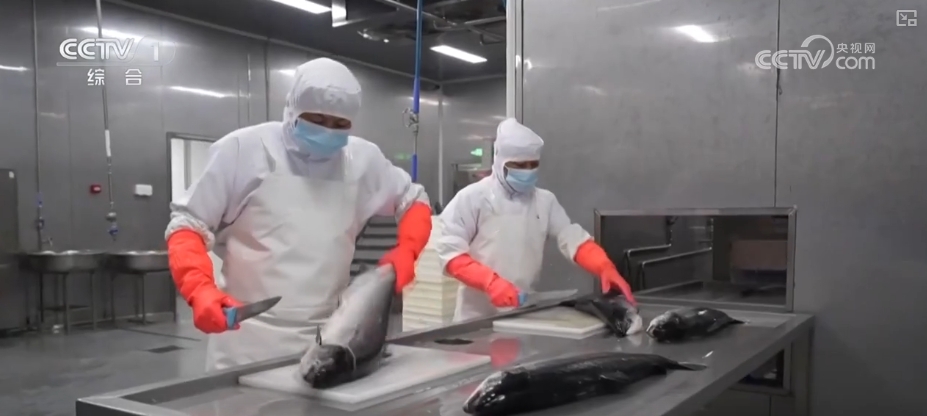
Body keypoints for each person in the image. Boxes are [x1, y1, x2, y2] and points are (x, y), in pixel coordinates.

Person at [165, 57, 433, 371]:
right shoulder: (243, 150)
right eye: (316, 119)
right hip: (247, 340)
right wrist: (198, 289)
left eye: (340, 125)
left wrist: (408, 249)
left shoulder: (363, 160)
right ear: (292, 109)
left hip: (331, 338)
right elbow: (187, 225)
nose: (328, 130)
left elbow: (413, 199)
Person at [436, 118, 635, 322]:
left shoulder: (544, 201)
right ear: (500, 162)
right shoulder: (472, 198)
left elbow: (571, 237)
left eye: (533, 165)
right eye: (519, 165)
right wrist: (491, 283)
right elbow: (451, 253)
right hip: (474, 320)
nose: (527, 171)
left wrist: (603, 266)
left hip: (520, 314)